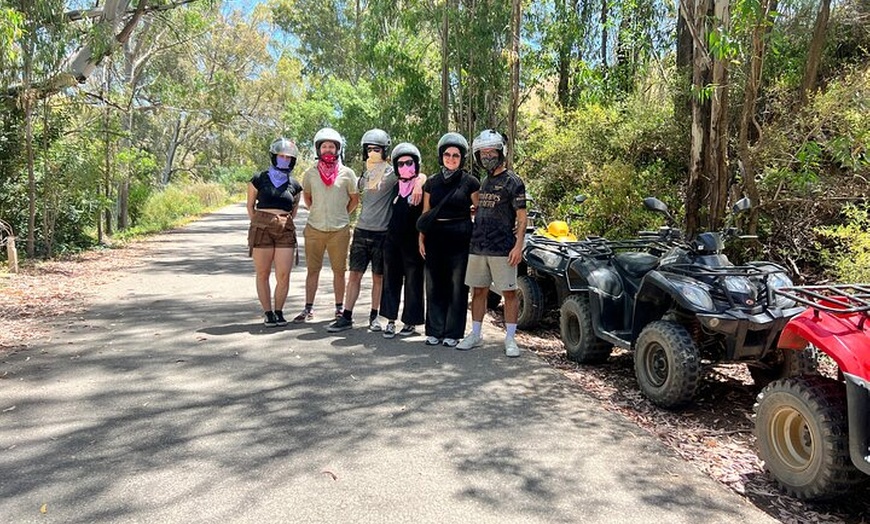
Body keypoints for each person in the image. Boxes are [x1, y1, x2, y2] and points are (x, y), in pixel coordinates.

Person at [328, 129, 421, 333]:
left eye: (377, 149)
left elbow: (416, 174)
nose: (372, 153)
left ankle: (374, 316)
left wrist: (420, 184)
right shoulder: (365, 174)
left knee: (379, 277)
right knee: (354, 275)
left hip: (382, 233)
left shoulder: (393, 172)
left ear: (385, 151)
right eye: (369, 149)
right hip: (361, 231)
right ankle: (347, 316)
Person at [456, 129, 527, 357]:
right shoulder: (485, 182)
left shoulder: (513, 182)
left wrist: (518, 246)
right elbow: (487, 206)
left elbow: (522, 218)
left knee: (509, 293)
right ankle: (476, 334)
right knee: (478, 291)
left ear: (501, 152)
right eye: (483, 153)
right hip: (478, 246)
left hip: (503, 248)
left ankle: (510, 339)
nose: (487, 156)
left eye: (491, 152)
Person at [418, 132, 480, 347]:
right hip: (435, 235)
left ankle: (453, 332)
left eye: (456, 155)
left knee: (457, 285)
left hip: (460, 235)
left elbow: (479, 209)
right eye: (447, 154)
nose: (451, 159)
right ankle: (434, 330)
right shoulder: (432, 182)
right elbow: (425, 213)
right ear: (441, 156)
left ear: (462, 158)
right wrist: (421, 239)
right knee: (434, 284)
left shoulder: (470, 182)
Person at [293, 127, 359, 323]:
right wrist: (318, 212)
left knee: (339, 271)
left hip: (339, 230)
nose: (328, 150)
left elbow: (354, 199)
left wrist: (341, 214)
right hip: (314, 229)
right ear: (318, 149)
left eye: (332, 146)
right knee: (313, 270)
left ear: (338, 149)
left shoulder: (347, 173)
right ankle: (308, 309)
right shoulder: (310, 174)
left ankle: (339, 309)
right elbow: (307, 197)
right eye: (324, 146)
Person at [246, 138, 303, 326]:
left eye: (288, 157)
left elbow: (293, 210)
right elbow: (250, 205)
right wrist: (259, 221)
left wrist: (282, 221)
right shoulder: (258, 178)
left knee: (283, 274)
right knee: (262, 272)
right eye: (281, 156)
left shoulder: (295, 185)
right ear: (274, 156)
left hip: (285, 228)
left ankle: (279, 311)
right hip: (261, 226)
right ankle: (268, 312)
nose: (284, 160)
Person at [380, 142, 426, 338]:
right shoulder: (393, 186)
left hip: (414, 242)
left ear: (416, 163)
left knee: (414, 281)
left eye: (409, 163)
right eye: (400, 164)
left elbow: (425, 177)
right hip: (392, 240)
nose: (405, 167)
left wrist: (419, 181)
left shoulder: (423, 186)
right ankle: (390, 320)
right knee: (391, 280)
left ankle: (410, 322)